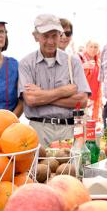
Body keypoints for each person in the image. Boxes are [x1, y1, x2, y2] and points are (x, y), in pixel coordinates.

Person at [18, 14, 90, 146]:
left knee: (70, 167)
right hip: (39, 129)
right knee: (38, 166)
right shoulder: (26, 63)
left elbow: (82, 101)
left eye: (54, 36)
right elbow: (31, 100)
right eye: (45, 36)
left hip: (69, 129)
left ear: (60, 35)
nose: (50, 41)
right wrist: (65, 91)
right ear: (36, 36)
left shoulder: (73, 62)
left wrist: (42, 94)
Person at [79, 40, 102, 125]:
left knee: (91, 122)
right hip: (82, 95)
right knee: (81, 120)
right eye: (91, 47)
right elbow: (70, 72)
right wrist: (83, 66)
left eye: (95, 47)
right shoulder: (80, 58)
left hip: (94, 96)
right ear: (86, 47)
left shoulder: (98, 61)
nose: (93, 49)